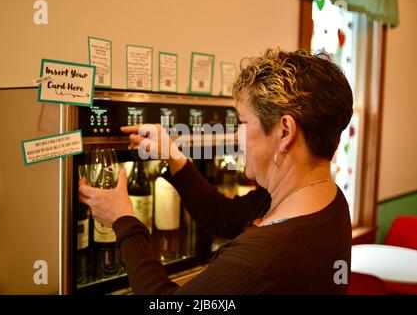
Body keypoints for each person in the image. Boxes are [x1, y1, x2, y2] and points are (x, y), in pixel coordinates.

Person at [78, 48, 354, 294]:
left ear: (284, 132)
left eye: (243, 123)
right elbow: (223, 216)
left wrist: (123, 219)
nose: (236, 137)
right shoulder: (327, 202)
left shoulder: (259, 260)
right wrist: (174, 156)